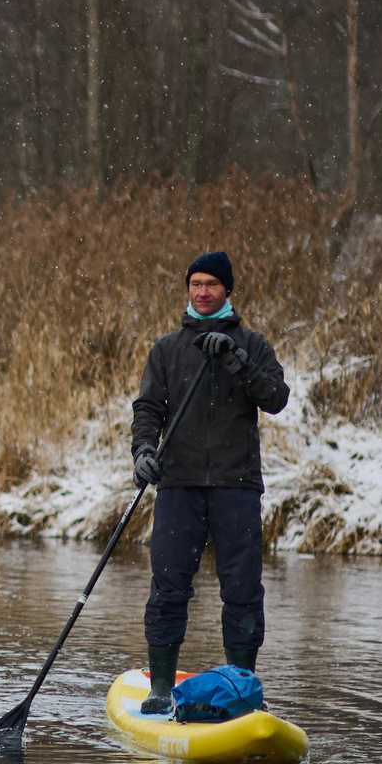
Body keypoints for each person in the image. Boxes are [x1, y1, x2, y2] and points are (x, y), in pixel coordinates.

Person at [130, 250, 290, 713]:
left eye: (212, 285)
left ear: (227, 291)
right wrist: (142, 452)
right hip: (178, 485)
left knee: (242, 590)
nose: (202, 292)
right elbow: (148, 411)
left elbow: (276, 398)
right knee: (168, 587)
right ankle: (160, 688)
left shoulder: (253, 344)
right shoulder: (167, 349)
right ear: (188, 289)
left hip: (235, 485)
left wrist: (238, 360)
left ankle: (243, 689)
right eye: (196, 284)